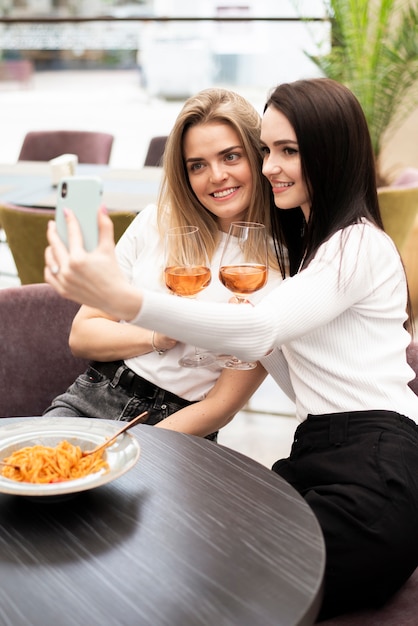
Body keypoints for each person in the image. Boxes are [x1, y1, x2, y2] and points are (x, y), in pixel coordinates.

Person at [45, 77, 418, 620]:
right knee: (191, 560)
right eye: (267, 150)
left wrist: (129, 300)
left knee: (222, 589)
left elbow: (260, 334)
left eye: (287, 150)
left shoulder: (356, 244)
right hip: (317, 452)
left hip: (374, 462)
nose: (269, 167)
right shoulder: (305, 251)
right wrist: (233, 330)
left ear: (331, 152)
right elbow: (285, 361)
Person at [43, 87, 282, 440]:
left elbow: (221, 406)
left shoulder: (279, 264)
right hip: (96, 394)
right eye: (197, 165)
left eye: (231, 157)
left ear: (257, 155)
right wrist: (157, 336)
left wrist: (131, 446)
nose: (216, 176)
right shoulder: (155, 222)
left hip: (182, 424)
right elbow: (83, 335)